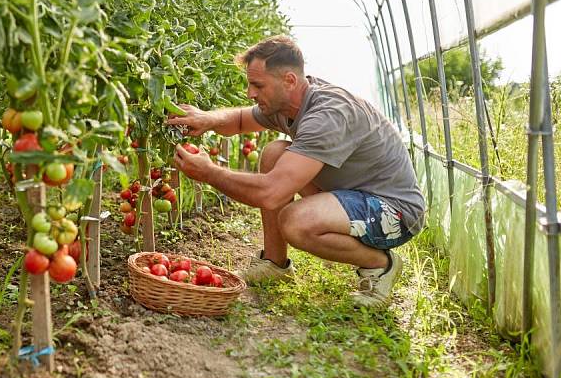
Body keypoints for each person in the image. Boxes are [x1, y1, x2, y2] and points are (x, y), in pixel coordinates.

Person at [168, 35, 425, 308]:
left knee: (296, 222)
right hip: (355, 194)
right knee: (274, 153)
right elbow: (242, 120)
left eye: (257, 85)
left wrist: (210, 173)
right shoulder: (286, 102)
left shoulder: (327, 114)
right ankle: (274, 264)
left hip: (394, 212)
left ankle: (381, 264)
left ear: (289, 80)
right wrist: (207, 119)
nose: (250, 93)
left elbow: (270, 193)